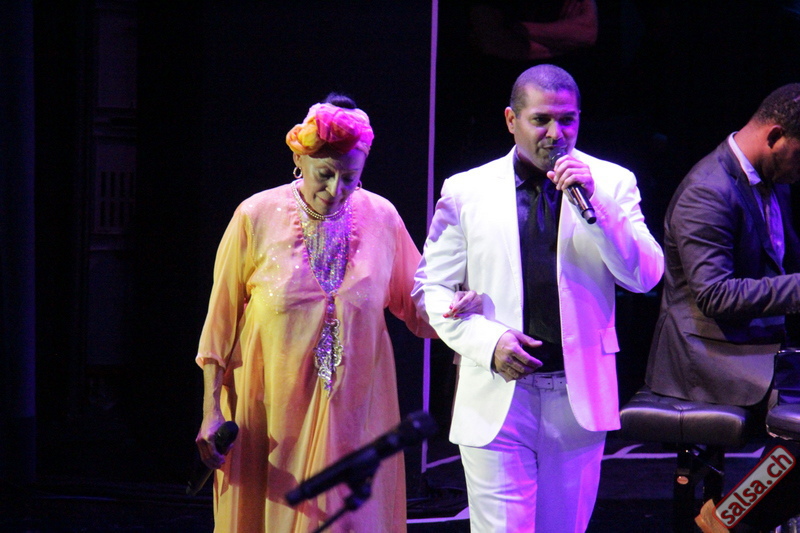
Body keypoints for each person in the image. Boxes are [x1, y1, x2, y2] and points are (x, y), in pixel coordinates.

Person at [412, 64, 664, 532]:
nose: (556, 133)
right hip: (497, 393)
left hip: (576, 395)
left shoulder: (610, 182)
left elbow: (644, 277)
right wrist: (488, 342)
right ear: (512, 120)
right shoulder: (466, 190)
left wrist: (597, 204)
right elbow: (430, 289)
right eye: (541, 120)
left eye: (567, 120)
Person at [193, 93, 437, 533]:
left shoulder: (382, 217)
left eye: (350, 178)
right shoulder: (255, 216)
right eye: (325, 174)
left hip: (355, 419)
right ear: (299, 159)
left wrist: (460, 306)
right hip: (269, 418)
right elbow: (219, 325)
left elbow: (421, 307)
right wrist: (211, 409)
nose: (335, 189)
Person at [641, 83, 800, 533]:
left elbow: (783, 267)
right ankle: (727, 523)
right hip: (707, 354)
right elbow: (716, 297)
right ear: (774, 136)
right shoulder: (707, 191)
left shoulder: (772, 179)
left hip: (757, 341)